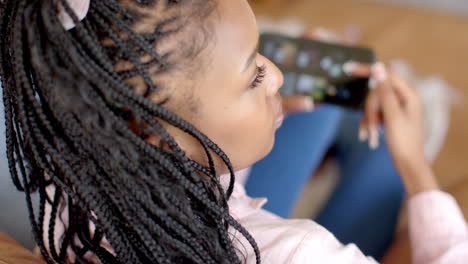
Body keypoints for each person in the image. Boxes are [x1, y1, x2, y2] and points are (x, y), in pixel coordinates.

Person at [0, 1, 466, 264]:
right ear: (150, 131)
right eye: (254, 74)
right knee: (384, 148)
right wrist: (417, 168)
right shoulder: (305, 253)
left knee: (319, 110)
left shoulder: (73, 199)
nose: (278, 75)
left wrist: (259, 104)